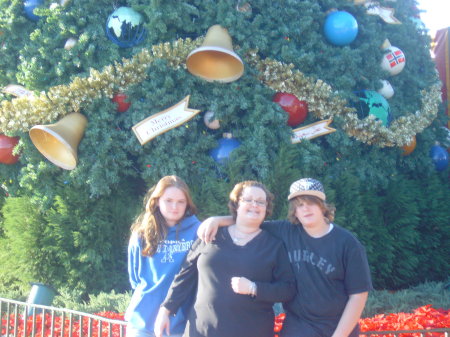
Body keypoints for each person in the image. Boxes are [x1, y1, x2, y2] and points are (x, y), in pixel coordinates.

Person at [198, 178, 373, 337]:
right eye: (299, 204)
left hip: (337, 326)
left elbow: (358, 295)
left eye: (311, 202)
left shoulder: (348, 243)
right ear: (294, 211)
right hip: (298, 326)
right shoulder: (286, 230)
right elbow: (249, 219)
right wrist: (216, 220)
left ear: (322, 206)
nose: (305, 208)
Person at [154, 180, 296, 337]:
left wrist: (254, 288)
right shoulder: (211, 234)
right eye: (248, 200)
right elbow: (184, 276)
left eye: (261, 202)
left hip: (252, 331)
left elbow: (287, 289)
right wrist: (165, 310)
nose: (254, 204)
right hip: (202, 330)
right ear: (236, 204)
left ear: (266, 208)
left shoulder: (274, 246)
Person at [125, 175, 201, 337]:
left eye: (181, 201)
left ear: (187, 204)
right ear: (157, 201)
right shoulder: (141, 234)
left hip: (178, 323)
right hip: (142, 321)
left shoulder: (198, 232)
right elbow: (135, 278)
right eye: (168, 200)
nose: (175, 206)